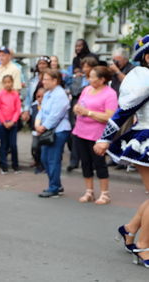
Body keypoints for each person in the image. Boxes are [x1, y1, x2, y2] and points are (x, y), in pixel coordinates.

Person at [94, 35, 149, 267]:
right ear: (147, 57)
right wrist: (104, 139)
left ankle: (130, 230)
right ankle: (144, 247)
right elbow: (123, 111)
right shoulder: (144, 79)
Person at [72, 66, 117, 204]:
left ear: (102, 79)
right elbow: (80, 105)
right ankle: (89, 191)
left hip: (97, 135)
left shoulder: (110, 94)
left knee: (99, 163)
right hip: (81, 131)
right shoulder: (87, 89)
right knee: (85, 162)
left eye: (92, 77)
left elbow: (110, 116)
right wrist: (77, 109)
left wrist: (89, 113)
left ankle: (105, 194)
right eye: (89, 76)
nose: (89, 79)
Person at [36, 69, 71, 198]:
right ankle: (56, 184)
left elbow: (56, 115)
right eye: (43, 79)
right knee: (45, 158)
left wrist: (43, 126)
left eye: (46, 79)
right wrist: (37, 123)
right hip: (47, 130)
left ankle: (54, 187)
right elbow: (42, 110)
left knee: (53, 159)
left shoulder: (60, 95)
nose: (43, 82)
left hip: (58, 131)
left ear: (55, 81)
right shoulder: (47, 94)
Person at [0, 75, 21, 174]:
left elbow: (18, 109)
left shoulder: (15, 95)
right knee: (4, 145)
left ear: (12, 83)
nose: (8, 84)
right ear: (3, 84)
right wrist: (4, 122)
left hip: (13, 123)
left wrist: (13, 121)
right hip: (2, 124)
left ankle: (15, 166)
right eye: (5, 82)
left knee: (13, 145)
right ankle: (4, 166)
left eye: (9, 82)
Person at [22, 56, 51, 123]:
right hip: (35, 109)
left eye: (44, 63)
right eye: (40, 64)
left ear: (48, 65)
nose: (41, 66)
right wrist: (26, 110)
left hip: (47, 110)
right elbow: (28, 97)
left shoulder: (52, 79)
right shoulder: (33, 80)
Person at [30, 88, 45, 174]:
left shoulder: (47, 106)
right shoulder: (33, 106)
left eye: (42, 97)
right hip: (35, 131)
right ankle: (37, 162)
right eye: (38, 96)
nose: (40, 99)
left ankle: (42, 165)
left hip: (44, 131)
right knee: (34, 147)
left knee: (43, 149)